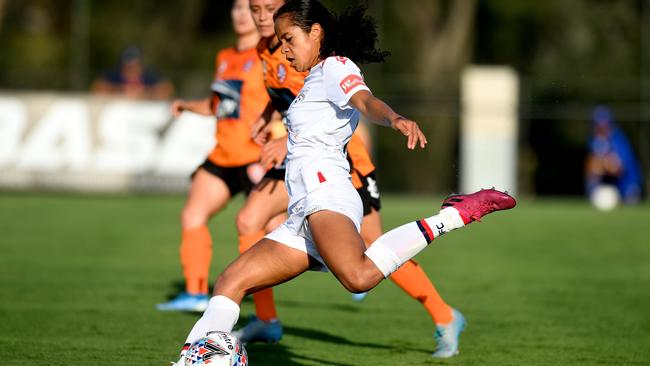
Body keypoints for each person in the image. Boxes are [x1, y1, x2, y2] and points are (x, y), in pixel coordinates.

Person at [169, 1, 515, 363]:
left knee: (359, 277)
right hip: (300, 212)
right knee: (229, 283)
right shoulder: (310, 77)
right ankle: (190, 359)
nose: (283, 48)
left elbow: (365, 102)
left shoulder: (335, 67)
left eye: (289, 39)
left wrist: (394, 119)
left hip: (327, 195)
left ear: (316, 32)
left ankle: (453, 215)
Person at [233, 0, 471, 358]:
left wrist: (393, 119)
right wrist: (269, 115)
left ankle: (443, 314)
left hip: (340, 162)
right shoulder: (271, 50)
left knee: (371, 246)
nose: (261, 15)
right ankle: (267, 319)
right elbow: (291, 101)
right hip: (299, 161)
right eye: (255, 8)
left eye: (269, 7)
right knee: (249, 219)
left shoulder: (315, 55)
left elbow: (350, 101)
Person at [156, 0, 285, 312]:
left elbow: (286, 97)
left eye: (248, 8)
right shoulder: (225, 57)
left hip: (257, 157)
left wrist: (279, 131)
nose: (242, 15)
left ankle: (340, 255)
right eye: (238, 8)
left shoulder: (272, 52)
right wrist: (189, 106)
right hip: (223, 156)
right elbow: (220, 104)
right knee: (192, 215)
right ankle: (196, 292)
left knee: (274, 229)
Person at [585, 106, 643, 205]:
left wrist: (604, 164)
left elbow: (620, 168)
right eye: (598, 124)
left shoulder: (618, 139)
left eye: (603, 124)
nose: (600, 127)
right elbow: (592, 166)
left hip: (627, 183)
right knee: (593, 168)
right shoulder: (594, 140)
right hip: (609, 184)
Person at [92, 45, 174, 100]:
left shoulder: (148, 76)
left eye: (134, 65)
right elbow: (97, 87)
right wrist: (121, 91)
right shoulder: (115, 75)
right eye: (128, 66)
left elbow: (167, 88)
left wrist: (143, 92)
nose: (131, 69)